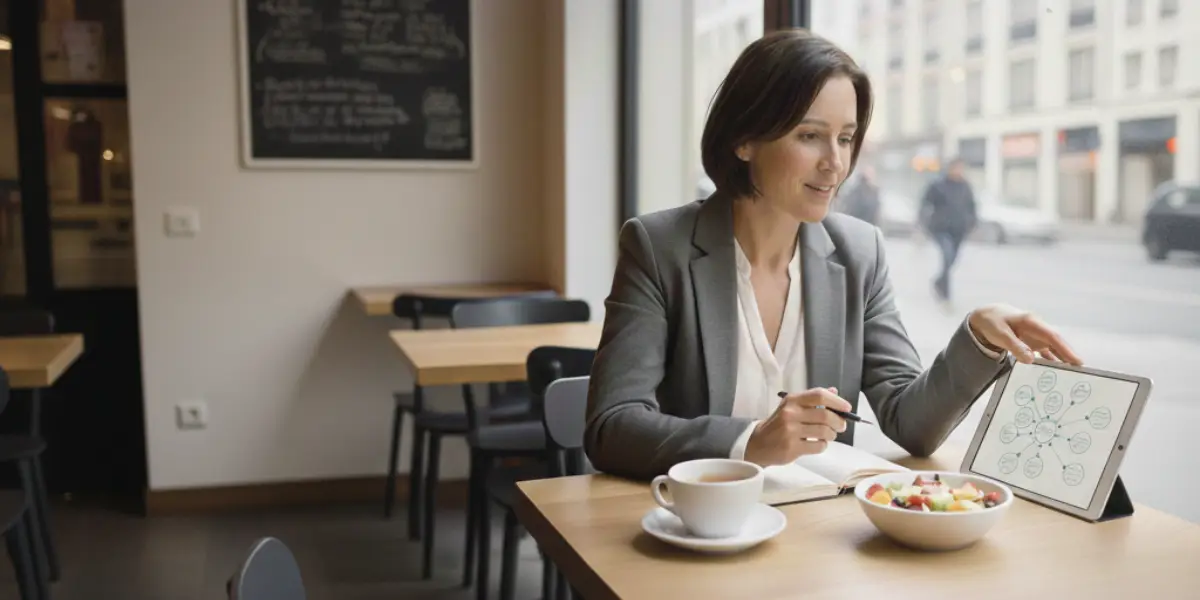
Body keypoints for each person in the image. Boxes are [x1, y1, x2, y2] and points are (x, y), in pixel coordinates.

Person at [583, 30, 1081, 481]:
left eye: (845, 138)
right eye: (809, 135)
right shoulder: (658, 246)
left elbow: (912, 424)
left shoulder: (859, 253)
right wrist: (748, 442)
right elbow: (612, 426)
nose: (836, 162)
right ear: (744, 140)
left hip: (819, 545)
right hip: (699, 535)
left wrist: (976, 336)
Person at [919, 157, 977, 304]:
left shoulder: (965, 186)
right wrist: (922, 223)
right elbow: (925, 204)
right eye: (956, 168)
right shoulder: (938, 185)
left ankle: (939, 282)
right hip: (940, 228)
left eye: (961, 168)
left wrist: (972, 223)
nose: (958, 171)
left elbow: (972, 206)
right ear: (950, 168)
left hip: (959, 230)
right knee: (947, 256)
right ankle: (946, 295)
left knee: (952, 260)